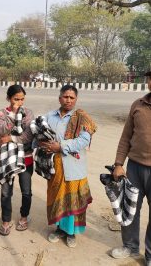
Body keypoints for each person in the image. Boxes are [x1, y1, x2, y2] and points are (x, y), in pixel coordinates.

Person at [40, 85, 96, 248]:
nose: (68, 100)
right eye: (65, 97)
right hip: (54, 166)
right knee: (57, 197)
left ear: (76, 100)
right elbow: (41, 136)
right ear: (60, 98)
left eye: (72, 97)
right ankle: (59, 229)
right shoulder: (50, 116)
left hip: (74, 166)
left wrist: (61, 146)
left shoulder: (82, 117)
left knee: (73, 200)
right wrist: (43, 144)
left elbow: (83, 141)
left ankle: (71, 232)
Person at [110, 71, 151, 264]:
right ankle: (130, 246)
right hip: (134, 167)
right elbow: (126, 137)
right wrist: (119, 164)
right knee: (130, 209)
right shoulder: (138, 105)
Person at [0, 85, 34, 236]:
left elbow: (29, 135)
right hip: (7, 158)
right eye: (16, 99)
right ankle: (6, 220)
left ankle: (24, 217)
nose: (19, 102)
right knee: (6, 192)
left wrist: (10, 138)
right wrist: (14, 115)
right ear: (8, 98)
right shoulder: (1, 113)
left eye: (22, 99)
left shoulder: (28, 112)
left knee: (26, 191)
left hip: (26, 157)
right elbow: (1, 130)